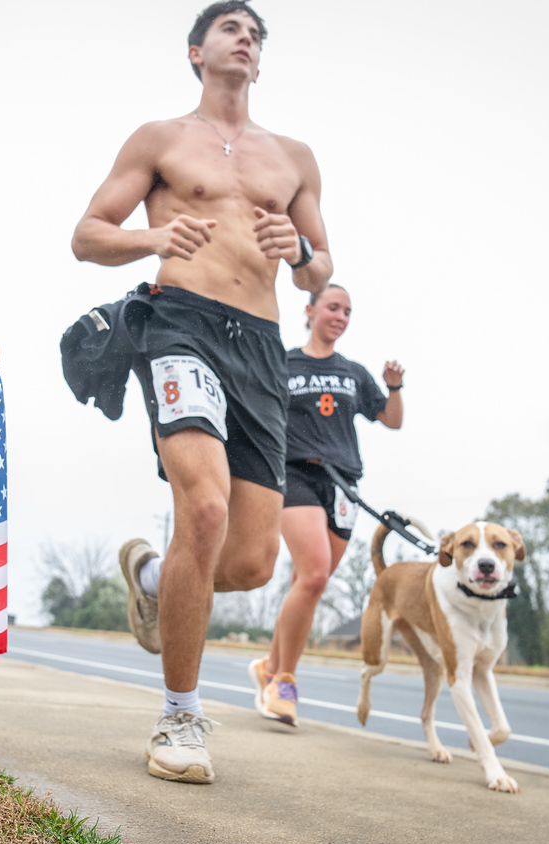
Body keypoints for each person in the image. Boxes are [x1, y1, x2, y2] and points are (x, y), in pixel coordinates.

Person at [70, 1, 332, 784]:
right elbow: (86, 234)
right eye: (232, 29)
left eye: (256, 34)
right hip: (179, 324)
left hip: (260, 346)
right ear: (197, 52)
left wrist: (302, 249)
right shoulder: (160, 140)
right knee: (206, 509)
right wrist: (153, 237)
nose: (246, 38)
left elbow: (321, 269)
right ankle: (180, 718)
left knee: (250, 562)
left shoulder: (294, 157)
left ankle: (155, 577)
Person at [249, 284, 404, 726]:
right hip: (294, 475)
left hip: (343, 484)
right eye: (333, 307)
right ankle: (285, 682)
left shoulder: (353, 371)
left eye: (348, 311)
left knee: (307, 581)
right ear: (310, 310)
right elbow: (256, 411)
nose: (340, 316)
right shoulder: (283, 361)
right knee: (315, 575)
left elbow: (391, 421)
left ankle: (267, 667)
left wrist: (394, 387)